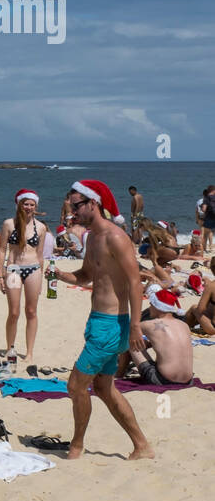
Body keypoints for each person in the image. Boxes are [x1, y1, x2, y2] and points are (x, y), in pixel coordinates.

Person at [52, 180, 153, 460]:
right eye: (71, 207)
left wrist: (134, 325)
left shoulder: (115, 236)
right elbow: (86, 276)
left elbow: (135, 281)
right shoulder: (92, 238)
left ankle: (76, 446)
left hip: (112, 325)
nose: (72, 212)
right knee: (104, 388)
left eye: (76, 206)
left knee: (75, 386)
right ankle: (141, 445)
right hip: (97, 321)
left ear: (93, 203)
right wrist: (61, 276)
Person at [0, 189, 47, 370]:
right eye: (25, 204)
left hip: (33, 269)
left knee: (32, 311)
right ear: (19, 204)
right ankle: (10, 348)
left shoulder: (41, 227)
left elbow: (40, 254)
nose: (28, 207)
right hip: (14, 269)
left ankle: (30, 352)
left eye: (32, 204)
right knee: (14, 312)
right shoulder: (9, 224)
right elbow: (2, 249)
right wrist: (0, 274)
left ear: (36, 206)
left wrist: (41, 275)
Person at [126, 289, 194, 385]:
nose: (149, 308)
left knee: (130, 339)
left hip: (162, 380)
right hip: (188, 381)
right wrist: (149, 344)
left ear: (157, 306)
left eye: (151, 304)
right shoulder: (184, 325)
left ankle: (119, 373)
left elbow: (128, 331)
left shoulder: (149, 324)